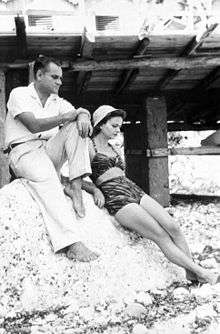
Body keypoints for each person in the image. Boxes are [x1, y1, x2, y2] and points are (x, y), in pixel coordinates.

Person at [65, 105, 220, 284]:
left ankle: (192, 274)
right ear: (100, 124)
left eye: (119, 127)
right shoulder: (88, 146)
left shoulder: (113, 147)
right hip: (116, 196)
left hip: (133, 189)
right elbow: (71, 176)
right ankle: (203, 273)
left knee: (173, 227)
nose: (118, 130)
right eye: (114, 126)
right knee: (159, 234)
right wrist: (94, 188)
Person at [4, 55, 98, 262]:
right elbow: (34, 126)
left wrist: (82, 116)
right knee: (49, 181)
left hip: (48, 149)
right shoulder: (19, 94)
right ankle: (71, 243)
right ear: (39, 75)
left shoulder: (57, 101)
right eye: (55, 77)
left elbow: (80, 114)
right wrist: (69, 115)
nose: (60, 82)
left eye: (61, 78)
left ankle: (75, 185)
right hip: (24, 151)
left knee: (76, 128)